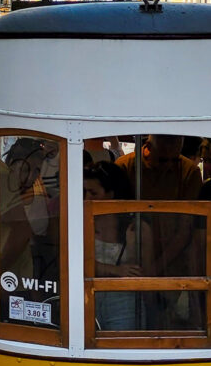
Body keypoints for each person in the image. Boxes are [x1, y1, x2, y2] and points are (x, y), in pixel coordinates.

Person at [115, 135, 202, 277]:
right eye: (162, 159)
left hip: (172, 262)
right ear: (148, 148)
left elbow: (184, 229)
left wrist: (155, 269)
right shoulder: (125, 166)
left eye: (174, 159)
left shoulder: (189, 172)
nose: (168, 165)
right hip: (130, 256)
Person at [84, 161, 152, 330]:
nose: (86, 199)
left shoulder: (136, 227)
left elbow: (146, 273)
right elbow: (72, 264)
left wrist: (132, 247)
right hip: (85, 297)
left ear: (111, 194)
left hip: (124, 301)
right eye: (84, 192)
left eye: (93, 193)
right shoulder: (81, 222)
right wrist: (115, 270)